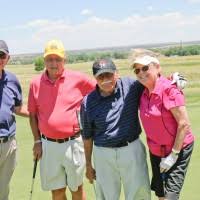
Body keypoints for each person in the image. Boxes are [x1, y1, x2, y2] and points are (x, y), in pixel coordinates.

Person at [28, 40, 95, 200]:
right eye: (50, 59)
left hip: (73, 143)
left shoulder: (79, 79)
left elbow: (100, 90)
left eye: (58, 59)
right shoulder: (35, 83)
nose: (53, 63)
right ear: (44, 61)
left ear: (64, 60)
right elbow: (32, 114)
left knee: (77, 189)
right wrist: (37, 141)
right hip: (48, 145)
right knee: (57, 192)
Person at [80, 58, 151, 200]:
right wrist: (88, 164)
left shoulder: (131, 86)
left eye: (109, 75)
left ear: (116, 74)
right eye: (101, 76)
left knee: (139, 194)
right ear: (95, 78)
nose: (106, 79)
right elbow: (87, 136)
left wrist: (171, 82)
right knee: (107, 196)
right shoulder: (88, 102)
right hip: (103, 154)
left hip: (131, 149)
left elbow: (152, 83)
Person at [130, 53, 194, 200]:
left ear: (157, 68)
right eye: (137, 70)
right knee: (161, 194)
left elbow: (184, 124)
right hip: (156, 151)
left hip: (178, 149)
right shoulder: (142, 91)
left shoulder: (169, 90)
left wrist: (173, 155)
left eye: (145, 68)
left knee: (170, 196)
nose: (141, 73)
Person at [0, 40, 29, 200]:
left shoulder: (12, 80)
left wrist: (40, 114)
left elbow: (18, 108)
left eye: (1, 55)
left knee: (3, 190)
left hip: (8, 145)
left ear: (7, 58)